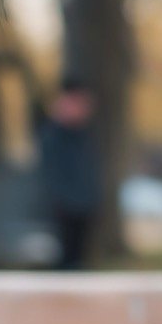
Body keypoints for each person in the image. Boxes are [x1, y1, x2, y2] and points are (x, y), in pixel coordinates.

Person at [37, 78, 103, 271]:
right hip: (60, 215)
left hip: (82, 213)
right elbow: (51, 177)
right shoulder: (51, 136)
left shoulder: (83, 136)